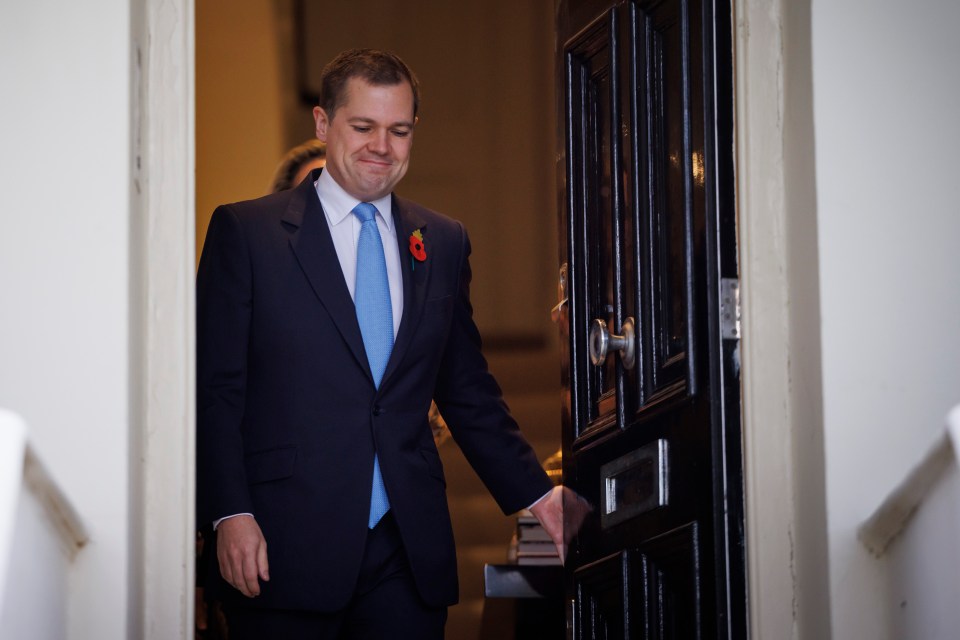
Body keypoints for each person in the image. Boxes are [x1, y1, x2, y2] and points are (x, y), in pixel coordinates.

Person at [196, 48, 580, 639]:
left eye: (398, 130)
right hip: (282, 546)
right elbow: (215, 389)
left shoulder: (443, 241)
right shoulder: (247, 233)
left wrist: (536, 495)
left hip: (406, 550)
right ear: (323, 124)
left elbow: (466, 388)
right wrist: (229, 512)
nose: (382, 145)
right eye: (364, 127)